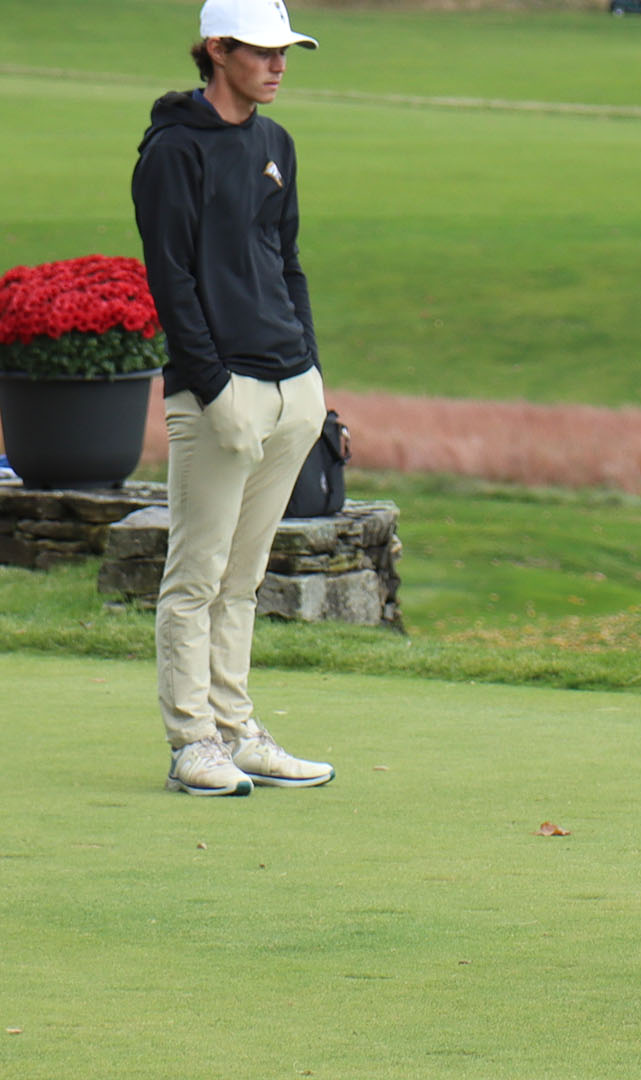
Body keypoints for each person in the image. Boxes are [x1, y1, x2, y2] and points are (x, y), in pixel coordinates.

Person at [132, 0, 333, 797]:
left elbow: (287, 264)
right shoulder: (172, 151)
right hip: (219, 392)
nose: (279, 65)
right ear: (217, 50)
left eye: (286, 52)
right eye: (262, 51)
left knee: (243, 578)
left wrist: (312, 376)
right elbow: (171, 279)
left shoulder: (275, 143)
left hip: (290, 386)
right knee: (196, 576)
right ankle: (193, 743)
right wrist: (212, 387)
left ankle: (238, 728)